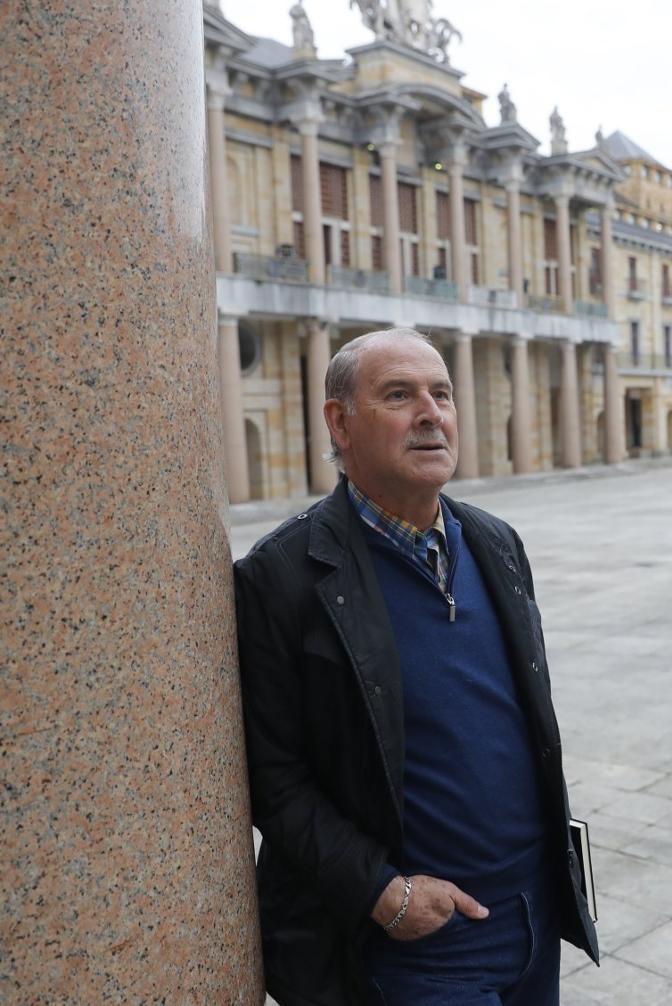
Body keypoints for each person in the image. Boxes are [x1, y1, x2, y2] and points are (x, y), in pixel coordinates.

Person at [234, 329, 597, 1006]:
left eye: (442, 393)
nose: (430, 412)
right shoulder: (281, 578)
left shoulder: (495, 542)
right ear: (340, 423)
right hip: (416, 951)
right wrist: (382, 893)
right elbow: (272, 777)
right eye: (399, 395)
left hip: (533, 918)